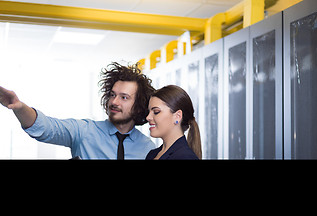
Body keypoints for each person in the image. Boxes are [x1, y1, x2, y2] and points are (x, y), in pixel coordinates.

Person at [0, 62, 156, 160]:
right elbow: (46, 128)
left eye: (124, 97)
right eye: (112, 95)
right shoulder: (84, 131)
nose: (114, 102)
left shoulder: (147, 147)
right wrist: (19, 107)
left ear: (138, 105)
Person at [145, 85, 202, 160]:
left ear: (177, 116)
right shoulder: (152, 154)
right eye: (149, 112)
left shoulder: (186, 157)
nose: (148, 117)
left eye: (156, 112)